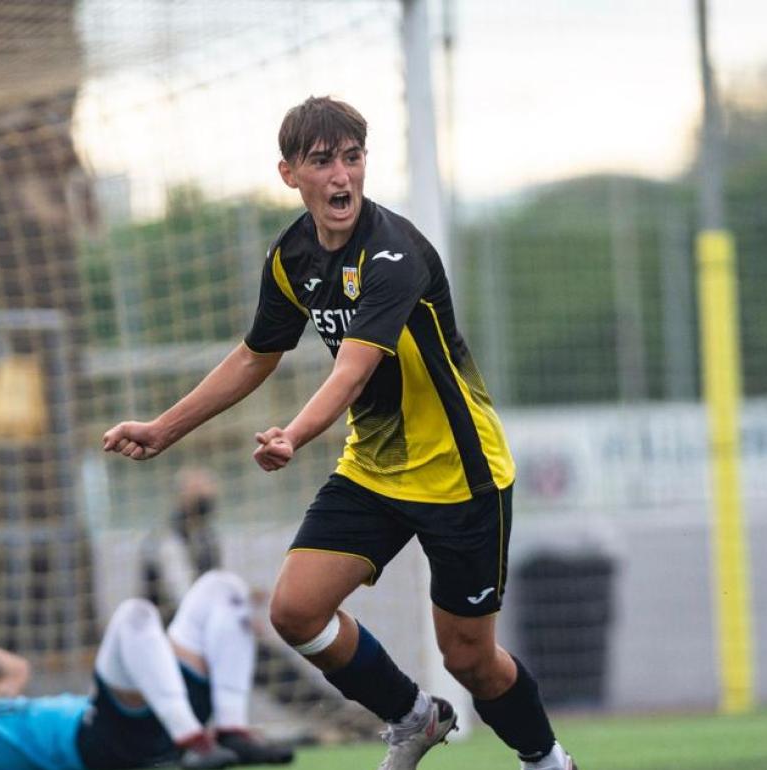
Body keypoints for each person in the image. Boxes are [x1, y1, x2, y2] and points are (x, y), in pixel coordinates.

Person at [103, 96, 577, 770]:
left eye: (352, 158)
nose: (341, 177)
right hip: (376, 470)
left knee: (469, 658)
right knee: (295, 610)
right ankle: (415, 717)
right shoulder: (291, 255)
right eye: (322, 162)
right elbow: (254, 355)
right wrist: (163, 429)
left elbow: (353, 372)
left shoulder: (394, 253)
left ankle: (548, 761)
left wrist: (292, 435)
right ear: (289, 173)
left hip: (460, 474)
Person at [0, 570, 294, 770]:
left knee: (220, 588)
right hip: (106, 739)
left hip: (134, 723)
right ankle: (197, 740)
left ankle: (229, 727)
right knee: (134, 617)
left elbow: (7, 668)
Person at [140, 466, 223, 621]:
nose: (206, 499)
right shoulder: (167, 537)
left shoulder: (206, 535)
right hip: (170, 628)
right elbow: (181, 595)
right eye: (199, 494)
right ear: (183, 497)